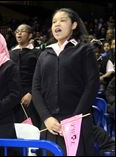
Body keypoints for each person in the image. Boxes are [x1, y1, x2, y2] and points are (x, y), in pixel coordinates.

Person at [32, 8, 99, 155]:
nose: (57, 24)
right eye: (54, 21)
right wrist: (46, 117)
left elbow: (92, 85)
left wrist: (74, 118)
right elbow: (36, 89)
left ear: (74, 25)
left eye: (63, 20)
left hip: (77, 121)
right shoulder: (44, 54)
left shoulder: (84, 50)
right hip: (50, 125)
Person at [9, 24, 41, 128]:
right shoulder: (9, 53)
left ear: (30, 35)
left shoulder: (37, 53)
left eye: (23, 31)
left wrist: (31, 93)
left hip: (30, 96)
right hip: (12, 96)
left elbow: (40, 75)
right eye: (17, 31)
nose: (19, 33)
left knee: (32, 127)